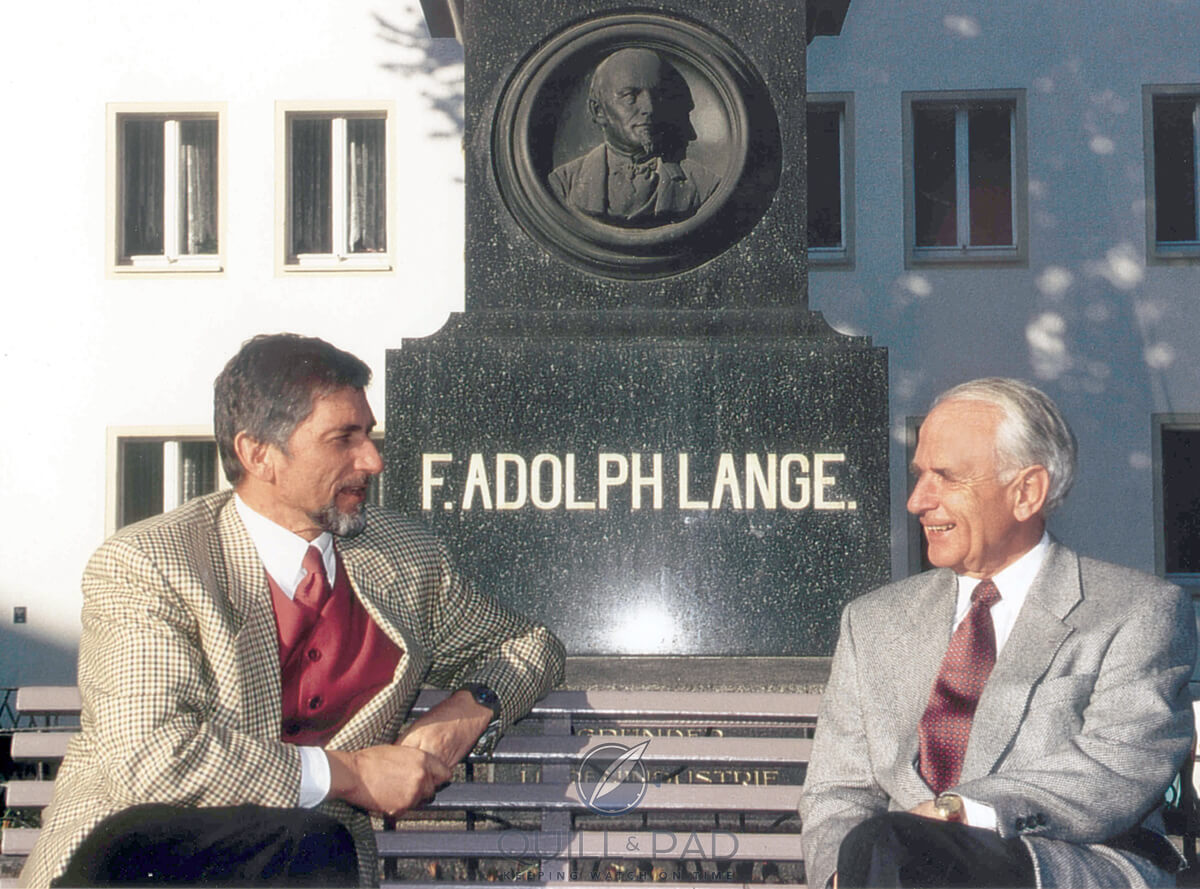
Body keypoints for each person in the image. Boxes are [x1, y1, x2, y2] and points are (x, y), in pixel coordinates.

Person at [23, 334, 565, 887]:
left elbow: (528, 646)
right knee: (311, 840)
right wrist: (349, 773)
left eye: (369, 435)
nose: (373, 460)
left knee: (314, 843)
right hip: (141, 861)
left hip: (303, 867)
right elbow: (152, 758)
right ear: (258, 454)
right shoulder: (151, 563)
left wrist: (467, 712)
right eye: (343, 439)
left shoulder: (403, 558)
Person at [799, 377, 1196, 888]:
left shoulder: (1135, 612)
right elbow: (838, 792)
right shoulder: (873, 622)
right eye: (921, 475)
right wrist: (841, 875)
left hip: (1052, 865)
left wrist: (960, 811)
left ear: (1026, 492)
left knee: (897, 846)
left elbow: (1116, 768)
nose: (918, 500)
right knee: (887, 849)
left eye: (946, 477)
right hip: (892, 870)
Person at [548, 47, 719, 226]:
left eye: (657, 95)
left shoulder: (703, 185)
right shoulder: (564, 183)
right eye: (630, 96)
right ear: (598, 110)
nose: (649, 108)